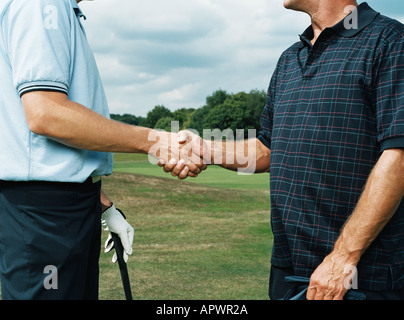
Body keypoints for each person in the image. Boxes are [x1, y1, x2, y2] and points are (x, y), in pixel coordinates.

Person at [163, 1, 404, 300]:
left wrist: (343, 257)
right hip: (288, 270)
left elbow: (399, 156)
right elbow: (267, 148)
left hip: (356, 277)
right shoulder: (290, 58)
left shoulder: (391, 41)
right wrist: (205, 149)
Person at [0, 0, 205, 300]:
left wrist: (102, 204)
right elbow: (46, 114)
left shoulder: (62, 9)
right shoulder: (42, 3)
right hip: (45, 218)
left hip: (67, 208)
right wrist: (158, 142)